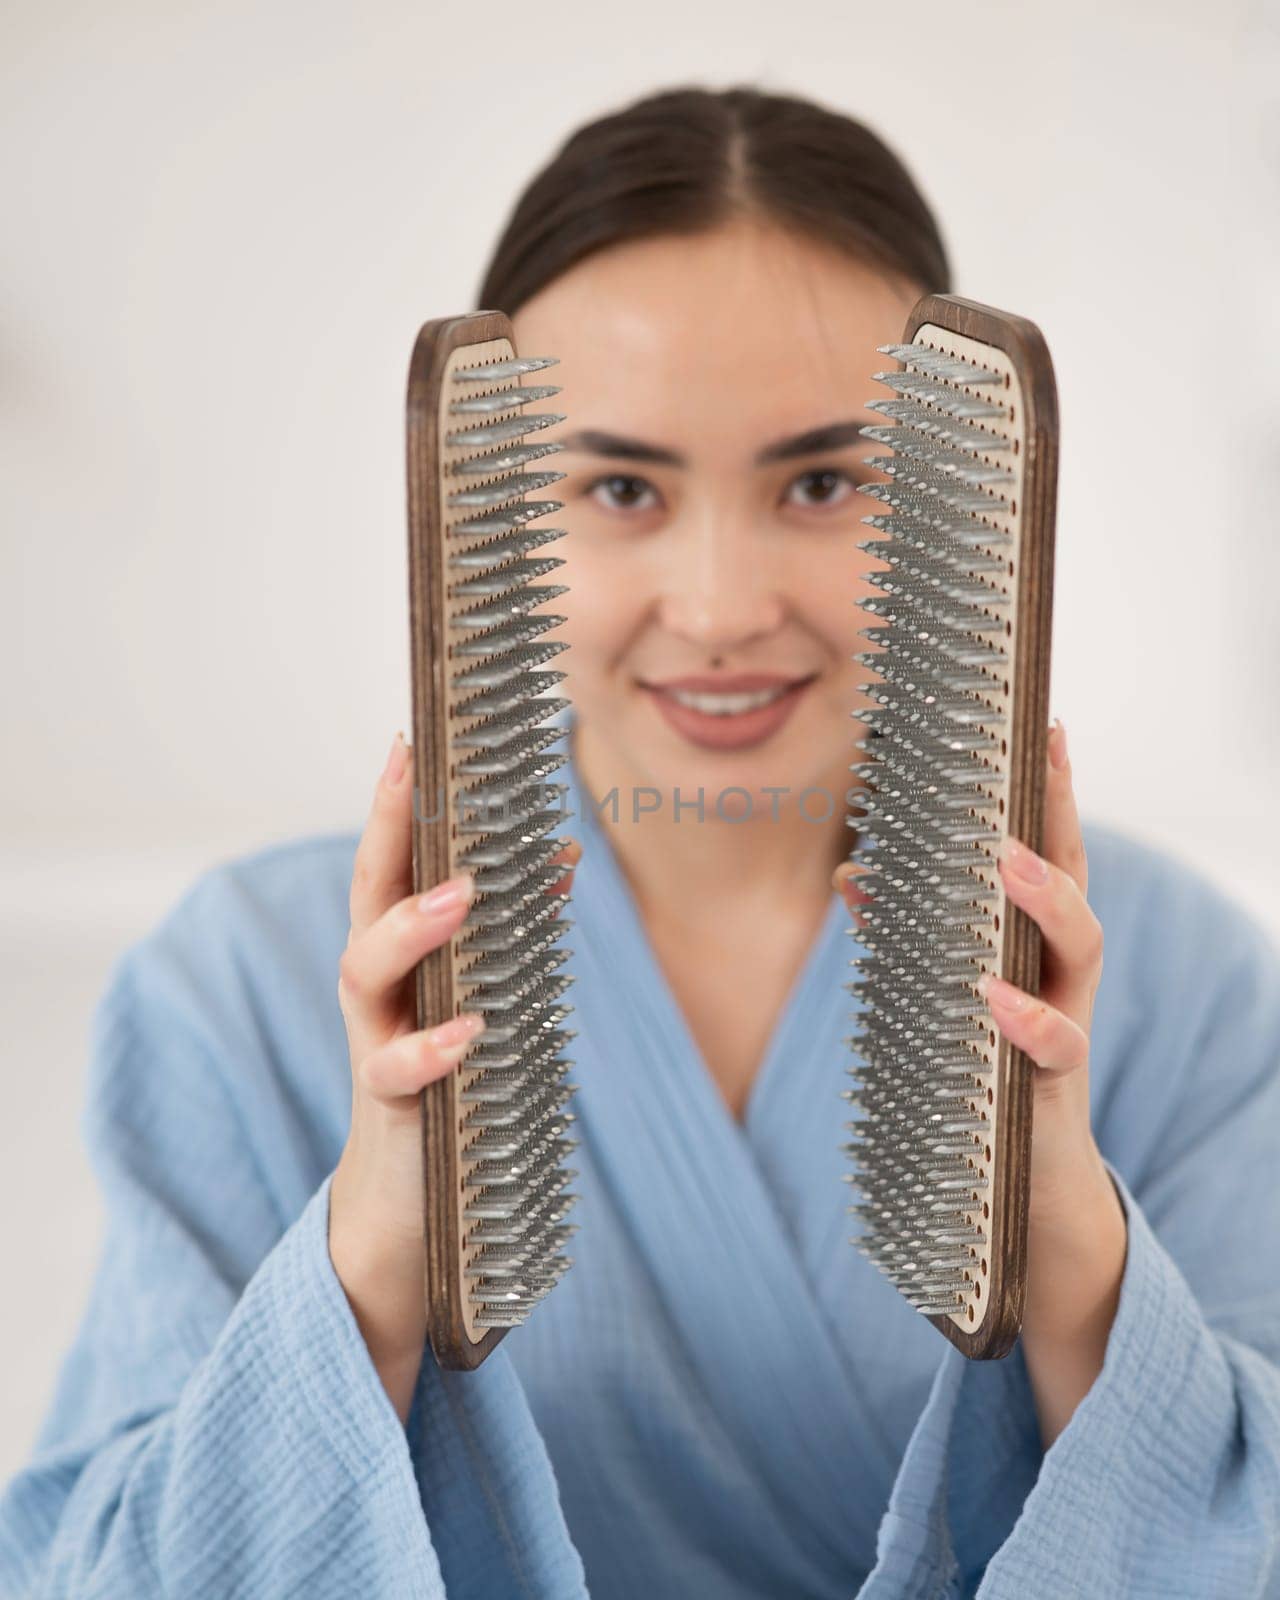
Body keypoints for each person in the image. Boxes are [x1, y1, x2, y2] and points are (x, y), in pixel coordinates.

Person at [3, 83, 1279, 1600]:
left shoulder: (1175, 978)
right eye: (619, 488)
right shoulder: (243, 988)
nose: (723, 602)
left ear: (952, 493)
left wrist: (1070, 1259)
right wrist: (366, 1273)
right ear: (491, 507)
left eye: (824, 482)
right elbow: (95, 1578)